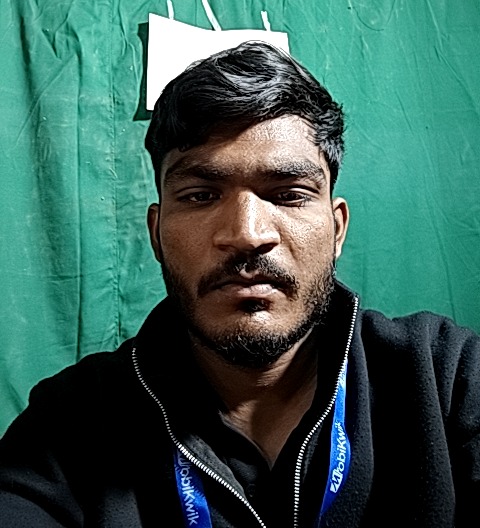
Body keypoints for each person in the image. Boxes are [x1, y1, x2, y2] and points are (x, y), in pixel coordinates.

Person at [0, 40, 479, 528]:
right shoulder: (67, 424)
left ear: (336, 230)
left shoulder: (447, 380)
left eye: (288, 194)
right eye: (200, 195)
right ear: (157, 234)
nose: (247, 234)